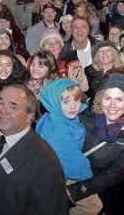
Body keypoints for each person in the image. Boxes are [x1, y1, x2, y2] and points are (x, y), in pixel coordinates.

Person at [0, 84, 68, 215]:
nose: (3, 111)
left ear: (30, 116)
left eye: (13, 107)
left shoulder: (45, 162)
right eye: (0, 103)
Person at [70, 72, 124, 214]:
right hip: (70, 180)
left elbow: (115, 172)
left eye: (119, 99)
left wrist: (78, 190)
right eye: (108, 98)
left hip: (103, 191)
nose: (112, 105)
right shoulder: (83, 118)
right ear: (100, 99)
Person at [36, 78, 102, 214]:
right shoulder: (57, 129)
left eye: (76, 100)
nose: (73, 106)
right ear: (54, 101)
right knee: (93, 206)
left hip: (55, 175)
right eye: (66, 102)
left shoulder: (56, 117)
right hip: (66, 175)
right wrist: (90, 179)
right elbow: (71, 161)